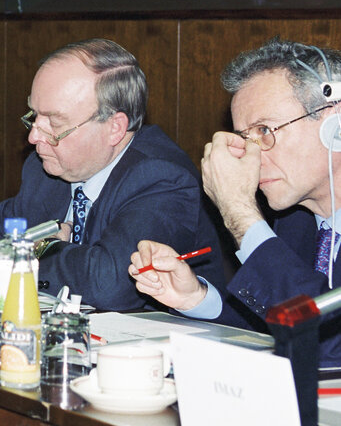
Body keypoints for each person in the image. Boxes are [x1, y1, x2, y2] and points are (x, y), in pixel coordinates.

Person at [0, 38, 226, 312]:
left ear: (115, 127)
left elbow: (112, 282)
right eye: (33, 117)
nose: (33, 137)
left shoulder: (159, 176)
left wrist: (38, 247)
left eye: (53, 124)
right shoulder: (48, 167)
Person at [128, 38, 341, 367]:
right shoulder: (295, 220)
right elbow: (276, 323)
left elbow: (327, 346)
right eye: (246, 138)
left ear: (334, 126)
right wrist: (197, 299)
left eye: (265, 130)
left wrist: (240, 213)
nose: (251, 158)